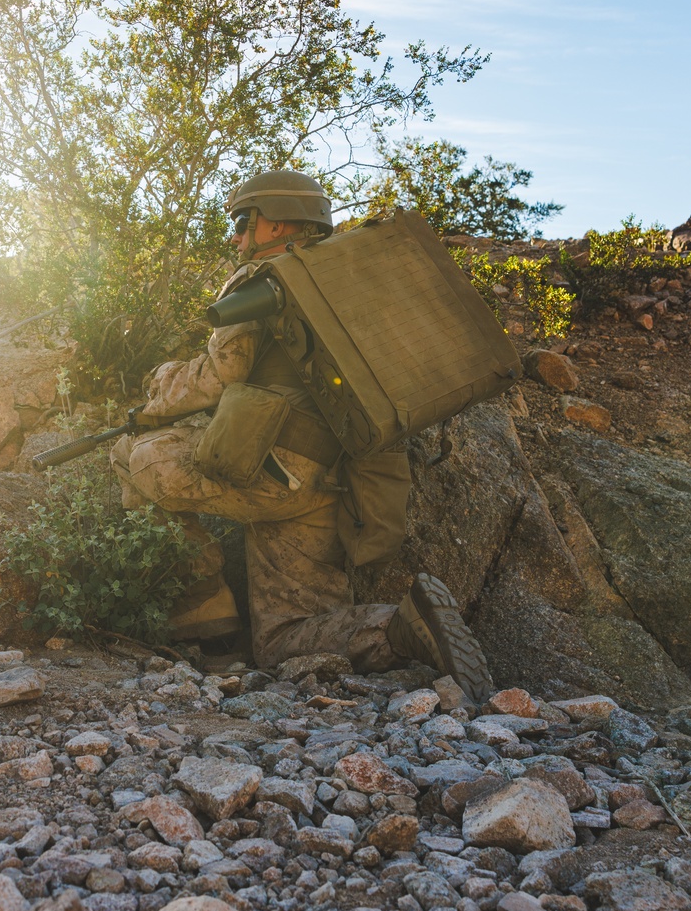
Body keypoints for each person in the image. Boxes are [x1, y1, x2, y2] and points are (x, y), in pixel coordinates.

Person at [110, 170, 491, 698]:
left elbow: (222, 371)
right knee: (286, 636)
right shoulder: (359, 282)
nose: (238, 238)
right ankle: (401, 626)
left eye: (244, 222)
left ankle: (207, 625)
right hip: (337, 483)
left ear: (281, 221)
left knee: (131, 453)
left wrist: (157, 392)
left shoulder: (270, 274)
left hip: (268, 471)